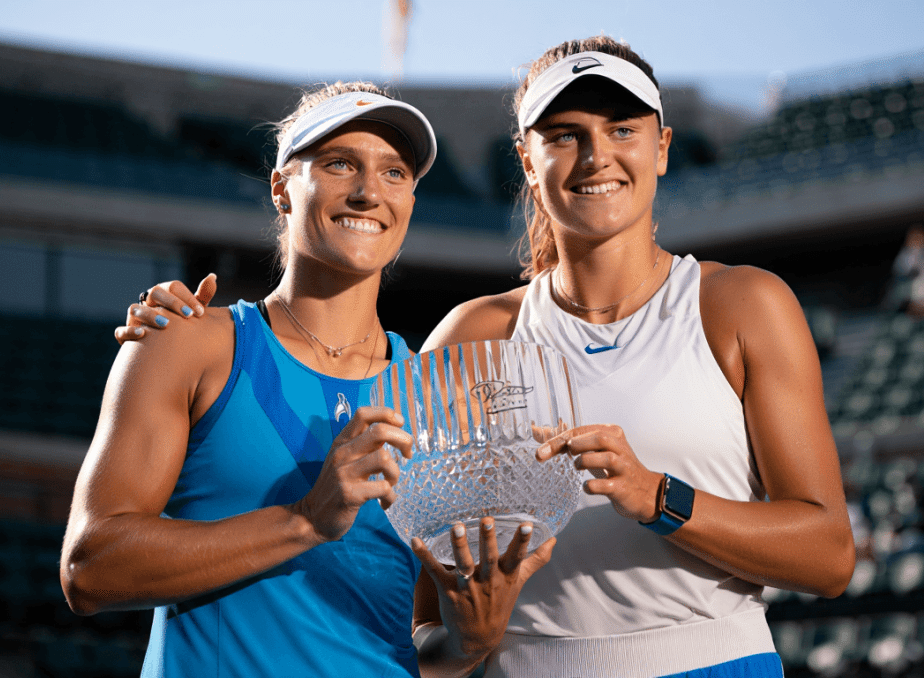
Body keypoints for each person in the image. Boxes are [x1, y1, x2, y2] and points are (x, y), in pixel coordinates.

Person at [122, 38, 855, 678]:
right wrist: (468, 638)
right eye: (564, 135)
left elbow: (827, 556)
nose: (596, 155)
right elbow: (426, 615)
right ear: (527, 162)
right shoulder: (467, 340)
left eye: (623, 128)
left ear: (661, 146)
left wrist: (661, 496)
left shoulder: (743, 304)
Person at [63, 82, 550, 678]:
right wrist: (304, 521)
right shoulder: (189, 343)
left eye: (394, 173)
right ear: (281, 188)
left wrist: (468, 643)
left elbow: (417, 644)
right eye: (340, 163)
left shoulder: (437, 398)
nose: (369, 192)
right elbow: (90, 569)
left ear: (410, 201)